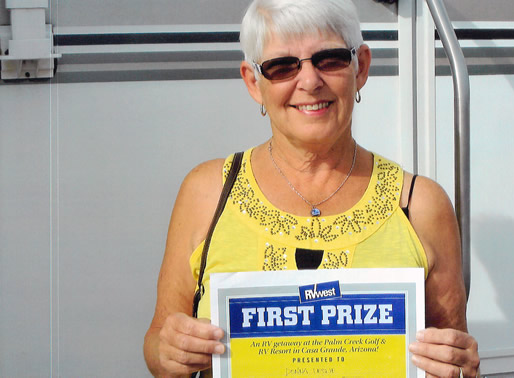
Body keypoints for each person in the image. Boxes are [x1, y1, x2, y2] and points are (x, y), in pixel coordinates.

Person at [143, 0, 480, 376]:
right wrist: (169, 352)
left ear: (361, 67)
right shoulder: (207, 193)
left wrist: (459, 365)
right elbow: (158, 341)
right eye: (281, 66)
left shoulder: (419, 206)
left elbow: (454, 358)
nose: (309, 81)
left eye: (330, 59)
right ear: (254, 82)